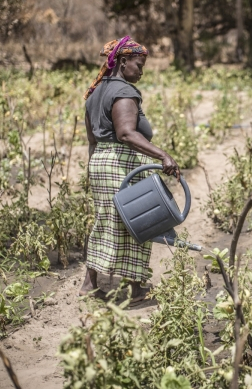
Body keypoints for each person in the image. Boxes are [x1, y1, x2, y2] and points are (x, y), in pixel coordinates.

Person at [79, 36, 180, 303]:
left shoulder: (95, 91)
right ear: (123, 62)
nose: (142, 71)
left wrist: (93, 171)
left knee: (107, 221)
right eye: (139, 65)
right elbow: (125, 134)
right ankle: (133, 288)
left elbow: (92, 141)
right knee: (138, 221)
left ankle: (96, 284)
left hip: (101, 160)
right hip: (120, 163)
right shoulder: (123, 92)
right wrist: (163, 155)